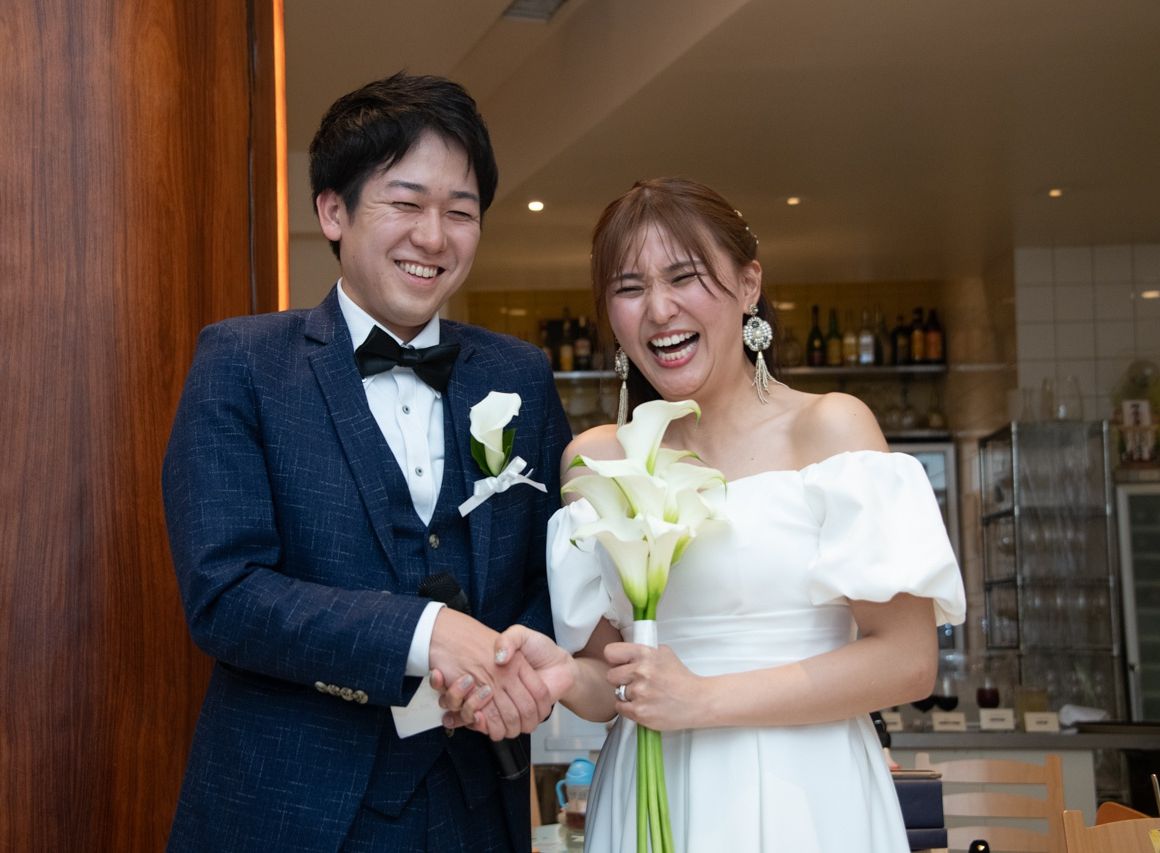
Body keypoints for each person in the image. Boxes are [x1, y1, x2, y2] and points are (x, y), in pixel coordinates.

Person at [445, 177, 966, 851]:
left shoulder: (831, 430)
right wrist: (567, 674)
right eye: (629, 288)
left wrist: (702, 700)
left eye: (684, 277)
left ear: (749, 285)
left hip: (809, 794)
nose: (659, 309)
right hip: (649, 792)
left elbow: (907, 660)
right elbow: (613, 688)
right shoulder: (596, 461)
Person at [161, 72, 572, 852]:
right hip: (293, 807)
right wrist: (426, 633)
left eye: (460, 211)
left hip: (476, 803)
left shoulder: (518, 374)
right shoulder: (242, 363)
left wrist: (518, 666)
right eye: (406, 203)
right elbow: (224, 593)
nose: (434, 236)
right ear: (333, 212)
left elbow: (556, 571)